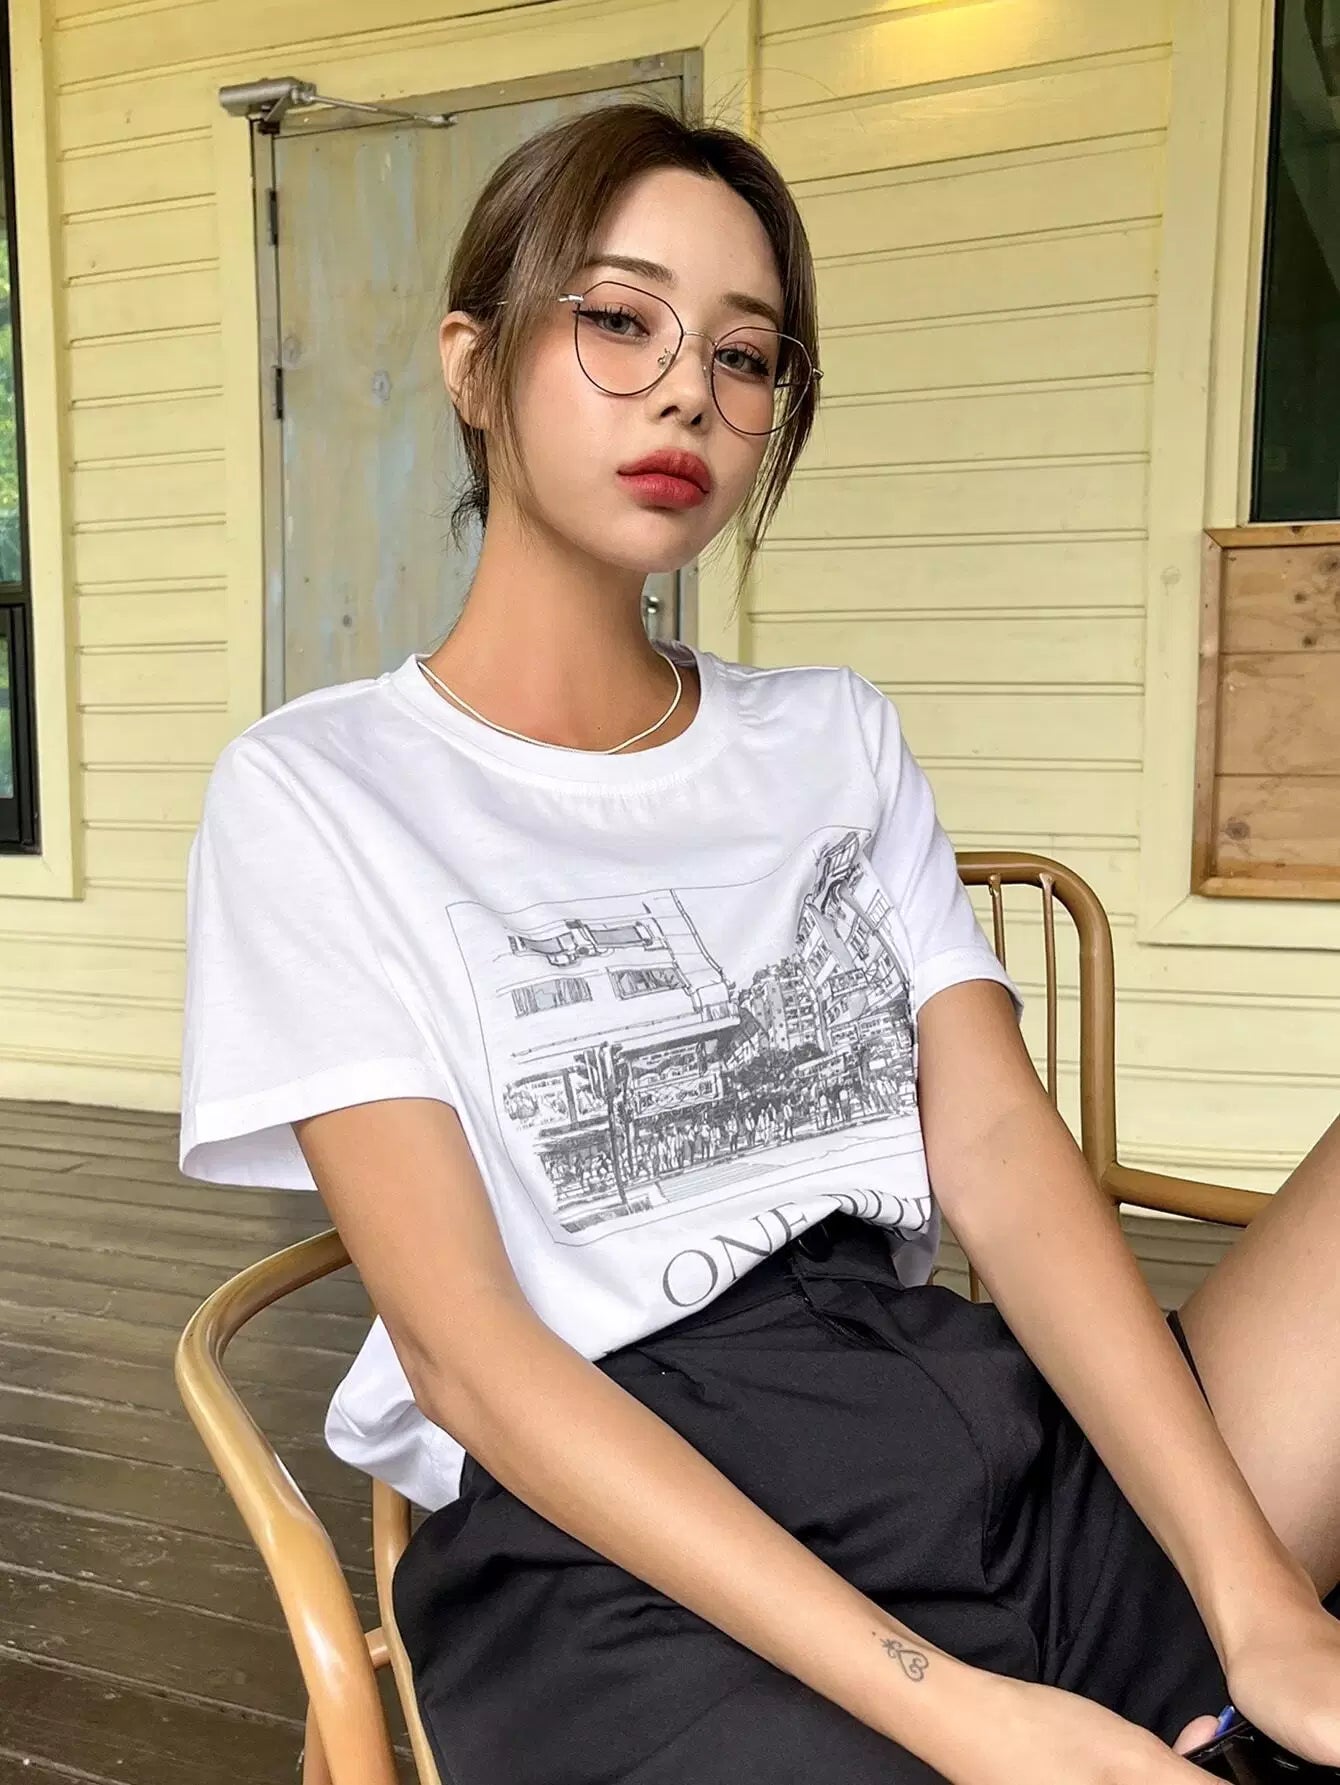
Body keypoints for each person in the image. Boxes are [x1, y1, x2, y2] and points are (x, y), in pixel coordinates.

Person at [177, 99, 1340, 1785]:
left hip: (954, 1417)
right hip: (621, 1535)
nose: (686, 395)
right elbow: (466, 1354)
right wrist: (964, 1708)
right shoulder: (315, 792)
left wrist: (1255, 1597)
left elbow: (1002, 1157)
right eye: (618, 319)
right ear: (472, 363)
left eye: (742, 355)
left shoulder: (832, 735)